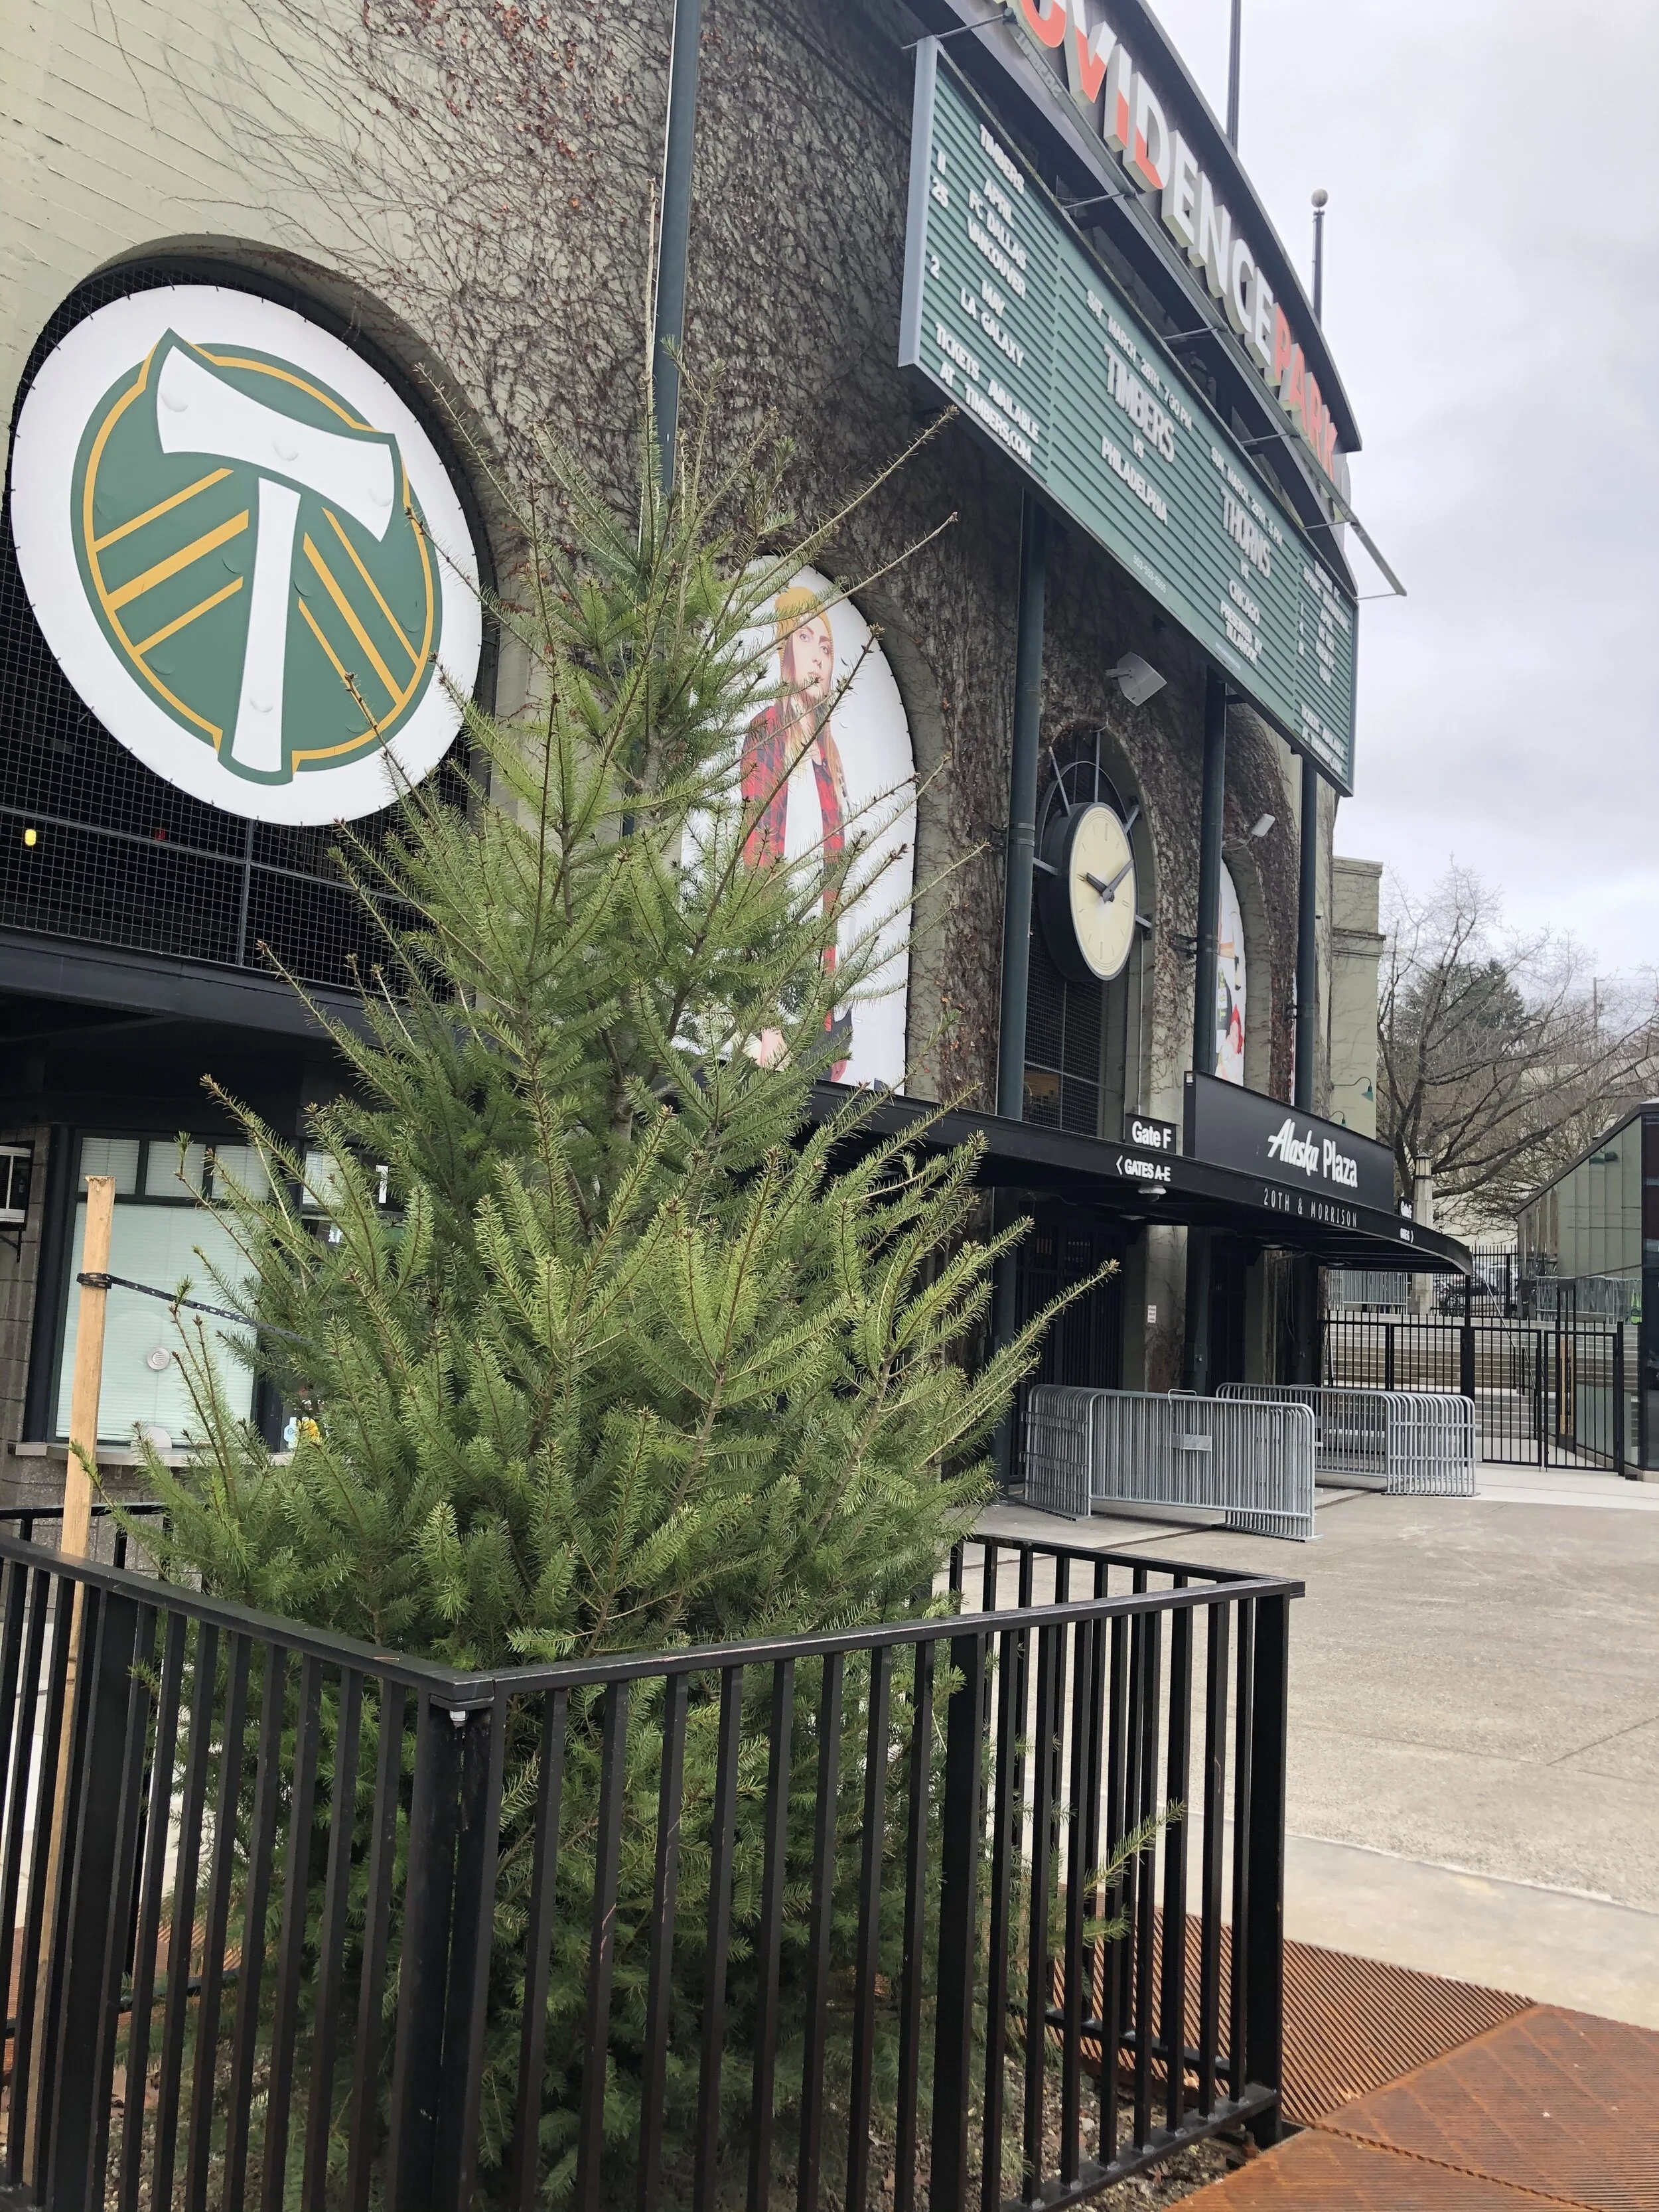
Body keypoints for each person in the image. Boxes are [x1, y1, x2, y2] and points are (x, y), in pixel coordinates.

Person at [740, 585, 852, 1076]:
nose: (818, 656)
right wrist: (765, 1013)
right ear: (785, 649)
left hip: (818, 980)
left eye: (826, 647)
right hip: (772, 977)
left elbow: (835, 886)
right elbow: (754, 863)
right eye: (805, 638)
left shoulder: (830, 760)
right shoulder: (766, 734)